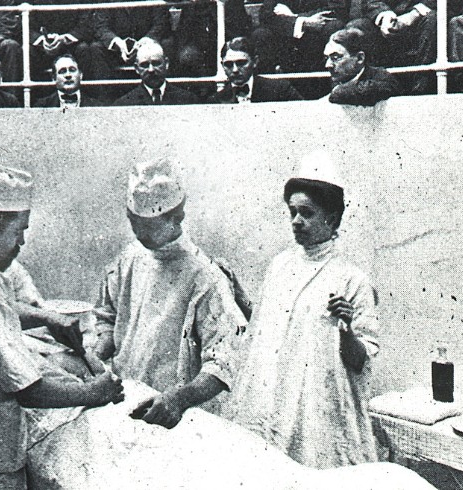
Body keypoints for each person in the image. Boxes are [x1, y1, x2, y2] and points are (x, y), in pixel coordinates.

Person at [0, 163, 124, 489]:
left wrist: (46, 318)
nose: (20, 243)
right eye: (19, 232)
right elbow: (31, 389)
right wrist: (93, 392)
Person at [225, 151, 382, 469]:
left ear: (332, 218)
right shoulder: (281, 265)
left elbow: (359, 360)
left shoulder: (351, 279)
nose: (296, 221)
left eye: (306, 213)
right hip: (269, 401)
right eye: (292, 212)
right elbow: (266, 328)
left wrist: (346, 329)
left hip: (317, 414)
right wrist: (239, 293)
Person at [89, 158, 246, 429]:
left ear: (177, 218)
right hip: (128, 402)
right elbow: (106, 315)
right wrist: (99, 351)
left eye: (148, 226)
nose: (138, 232)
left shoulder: (205, 277)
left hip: (181, 416)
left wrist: (180, 398)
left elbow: (224, 361)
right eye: (132, 221)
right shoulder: (129, 260)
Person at [255, 0, 348, 73]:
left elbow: (336, 9)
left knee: (334, 27)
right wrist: (301, 21)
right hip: (286, 31)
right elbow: (265, 14)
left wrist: (296, 18)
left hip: (318, 29)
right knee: (261, 34)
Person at [323, 27, 400, 106]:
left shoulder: (382, 77)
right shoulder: (334, 79)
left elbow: (371, 90)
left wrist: (338, 91)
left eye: (336, 58)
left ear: (360, 58)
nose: (328, 65)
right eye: (326, 58)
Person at [212, 36, 303, 103]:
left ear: (255, 62)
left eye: (241, 63)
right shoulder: (216, 100)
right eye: (228, 64)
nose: (235, 70)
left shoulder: (280, 90)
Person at [111, 41, 200, 106]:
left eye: (156, 63)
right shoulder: (124, 104)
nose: (151, 70)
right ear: (137, 68)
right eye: (144, 65)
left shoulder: (188, 100)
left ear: (166, 63)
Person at [33, 55, 105, 108]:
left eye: (72, 70)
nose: (68, 75)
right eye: (62, 71)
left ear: (80, 75)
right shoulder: (42, 106)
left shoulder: (96, 106)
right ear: (54, 78)